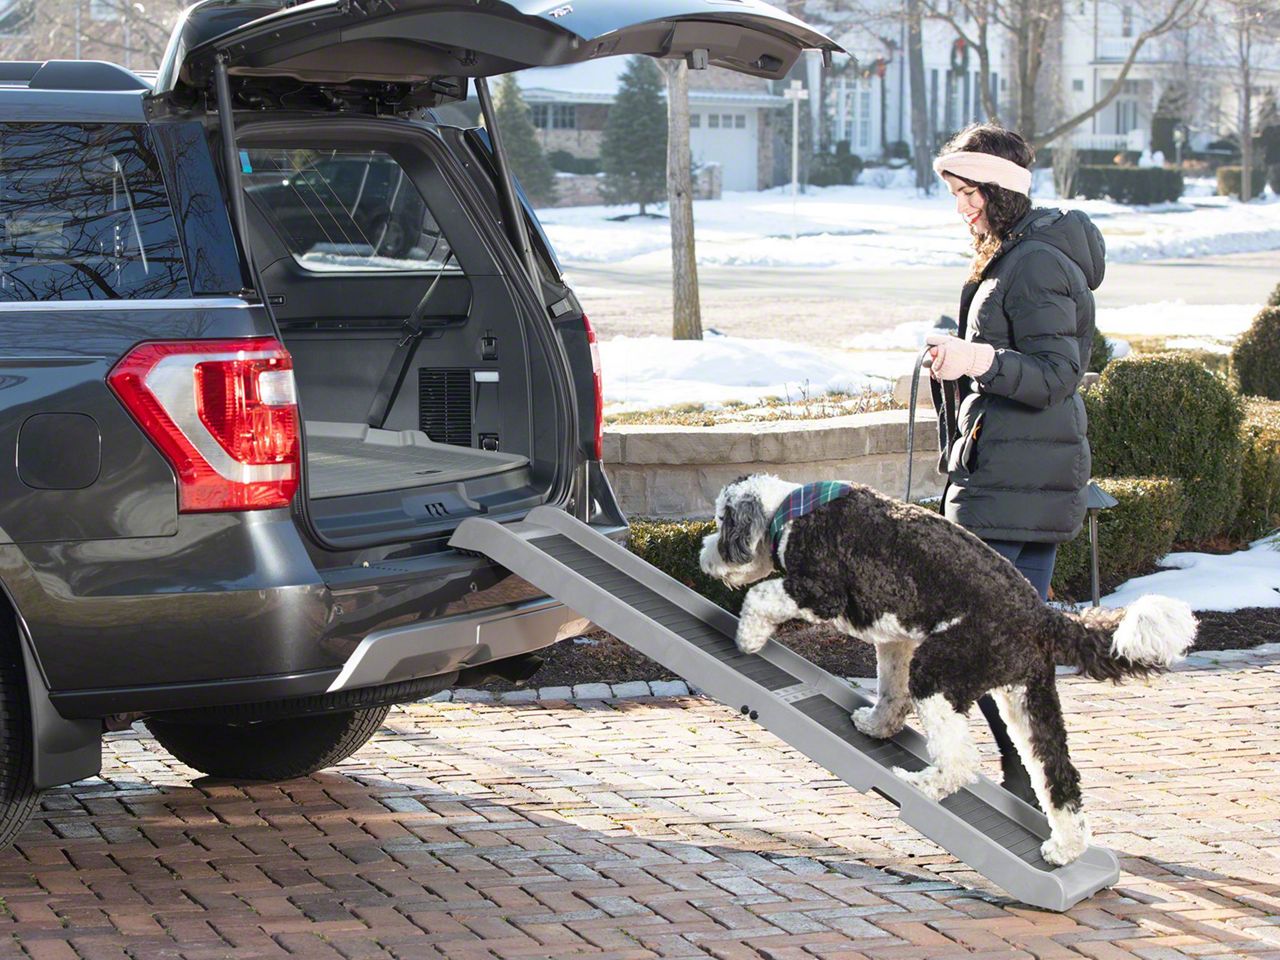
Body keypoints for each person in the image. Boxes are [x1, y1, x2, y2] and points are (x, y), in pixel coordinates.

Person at [925, 123, 1105, 807]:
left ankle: (997, 766)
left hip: (1014, 483)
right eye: (955, 194)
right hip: (1014, 475)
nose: (962, 207)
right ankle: (1031, 778)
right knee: (1008, 644)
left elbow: (1058, 372)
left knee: (980, 633)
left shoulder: (1032, 264)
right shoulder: (1016, 254)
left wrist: (981, 361)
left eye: (970, 192)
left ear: (1002, 190)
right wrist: (960, 357)